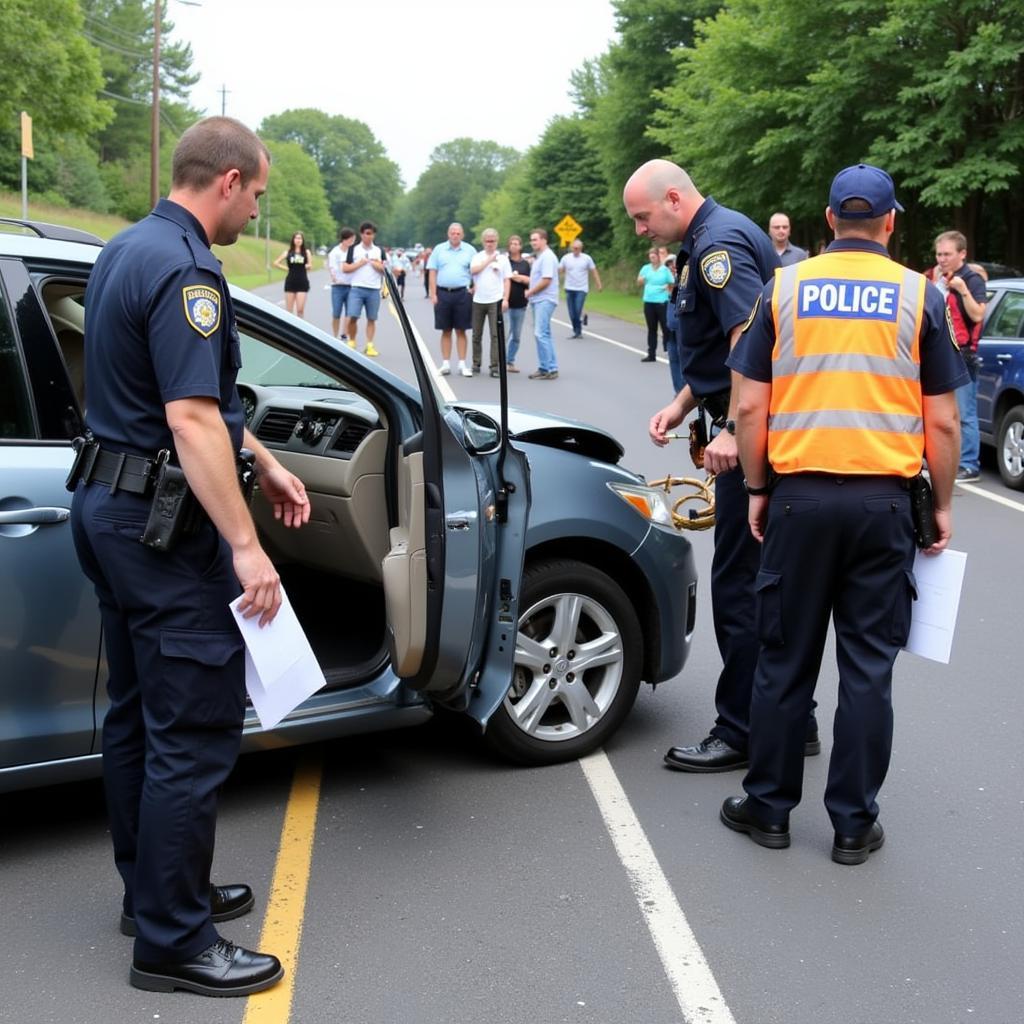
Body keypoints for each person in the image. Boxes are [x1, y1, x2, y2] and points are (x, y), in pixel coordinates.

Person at [69, 116, 312, 996]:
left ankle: (155, 894)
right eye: (258, 191)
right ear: (230, 180)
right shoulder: (189, 270)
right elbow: (191, 417)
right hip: (161, 530)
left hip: (108, 506)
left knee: (137, 712)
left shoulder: (126, 248)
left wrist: (269, 459)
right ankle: (175, 942)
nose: (257, 206)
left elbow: (181, 402)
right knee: (193, 729)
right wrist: (247, 548)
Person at [721, 163, 967, 864]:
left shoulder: (784, 287)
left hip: (798, 501)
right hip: (882, 506)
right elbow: (945, 423)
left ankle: (768, 809)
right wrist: (941, 504)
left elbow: (747, 406)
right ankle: (854, 825)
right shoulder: (920, 295)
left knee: (783, 659)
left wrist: (760, 489)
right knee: (867, 667)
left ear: (826, 221)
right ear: (891, 223)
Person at [623, 158, 814, 773]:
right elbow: (711, 349)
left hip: (752, 438)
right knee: (769, 581)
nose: (640, 230)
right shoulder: (710, 236)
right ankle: (794, 719)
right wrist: (683, 404)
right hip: (743, 424)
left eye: (643, 217)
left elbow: (746, 339)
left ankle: (741, 731)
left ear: (674, 199)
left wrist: (732, 427)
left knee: (741, 587)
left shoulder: (718, 244)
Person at [933, 230, 987, 482]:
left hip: (964, 353)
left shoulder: (972, 279)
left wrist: (963, 290)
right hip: (940, 350)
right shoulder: (938, 277)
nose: (942, 259)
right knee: (942, 411)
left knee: (965, 412)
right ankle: (944, 459)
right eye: (939, 254)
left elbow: (978, 315)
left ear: (962, 254)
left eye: (947, 254)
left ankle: (969, 464)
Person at [426, 223, 476, 376]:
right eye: (452, 233)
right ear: (448, 234)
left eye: (458, 233)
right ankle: (445, 363)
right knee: (445, 329)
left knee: (461, 330)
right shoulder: (439, 249)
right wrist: (433, 293)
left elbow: (477, 270)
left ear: (462, 235)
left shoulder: (470, 250)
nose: (455, 235)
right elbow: (432, 272)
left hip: (463, 293)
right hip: (443, 293)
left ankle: (462, 364)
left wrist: (475, 287)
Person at [470, 227, 512, 377]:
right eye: (487, 241)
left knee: (495, 335)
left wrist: (506, 298)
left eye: (492, 241)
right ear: (483, 242)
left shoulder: (503, 259)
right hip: (478, 299)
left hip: (495, 299)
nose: (490, 244)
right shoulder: (478, 256)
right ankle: (476, 363)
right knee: (476, 334)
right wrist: (489, 260)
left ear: (497, 241)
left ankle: (495, 366)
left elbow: (507, 279)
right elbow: (473, 271)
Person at [343, 221, 385, 357]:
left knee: (372, 318)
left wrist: (375, 264)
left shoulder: (379, 250)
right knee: (353, 316)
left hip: (373, 289)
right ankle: (352, 340)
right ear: (361, 234)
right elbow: (345, 268)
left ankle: (370, 345)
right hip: (357, 288)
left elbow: (385, 269)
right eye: (367, 233)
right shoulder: (353, 249)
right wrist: (360, 263)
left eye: (372, 234)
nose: (369, 236)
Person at [524, 228, 560, 380]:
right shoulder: (540, 257)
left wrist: (530, 292)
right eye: (531, 240)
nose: (533, 242)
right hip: (538, 300)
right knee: (543, 333)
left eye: (536, 239)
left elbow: (546, 279)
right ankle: (545, 366)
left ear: (544, 240)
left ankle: (551, 368)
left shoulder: (547, 257)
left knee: (540, 333)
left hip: (545, 299)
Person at [558, 238, 602, 338]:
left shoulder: (586, 258)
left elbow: (593, 271)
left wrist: (598, 284)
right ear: (571, 248)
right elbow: (560, 270)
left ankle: (579, 328)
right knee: (572, 313)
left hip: (581, 288)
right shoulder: (566, 258)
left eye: (577, 248)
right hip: (569, 287)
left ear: (581, 249)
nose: (575, 250)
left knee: (577, 310)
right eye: (574, 248)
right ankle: (576, 330)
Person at [637, 246, 674, 362]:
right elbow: (639, 281)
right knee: (651, 328)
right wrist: (641, 280)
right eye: (650, 257)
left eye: (654, 256)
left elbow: (672, 282)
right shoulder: (646, 268)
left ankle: (669, 349)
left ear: (658, 257)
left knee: (665, 327)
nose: (652, 259)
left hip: (662, 301)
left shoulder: (664, 270)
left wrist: (667, 288)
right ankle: (651, 353)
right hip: (649, 301)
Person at [504, 234, 531, 373]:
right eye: (512, 243)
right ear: (509, 246)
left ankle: (510, 361)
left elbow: (530, 280)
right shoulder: (505, 262)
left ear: (520, 246)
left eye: (516, 243)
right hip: (506, 304)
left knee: (516, 336)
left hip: (520, 304)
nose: (514, 246)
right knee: (504, 334)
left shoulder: (525, 264)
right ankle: (499, 361)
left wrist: (519, 277)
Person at [273, 231, 312, 317]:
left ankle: (300, 328)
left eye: (300, 238)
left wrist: (304, 266)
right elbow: (276, 263)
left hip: (302, 282)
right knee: (289, 311)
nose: (298, 240)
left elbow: (310, 265)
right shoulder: (288, 252)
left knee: (300, 310)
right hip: (290, 281)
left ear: (302, 240)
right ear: (293, 240)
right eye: (296, 238)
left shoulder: (306, 252)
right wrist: (287, 268)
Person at [328, 226, 355, 343]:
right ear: (345, 239)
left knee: (350, 312)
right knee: (336, 313)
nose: (353, 241)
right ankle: (334, 335)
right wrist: (334, 278)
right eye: (351, 239)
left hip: (351, 286)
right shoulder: (335, 252)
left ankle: (344, 334)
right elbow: (332, 267)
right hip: (338, 286)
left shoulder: (354, 252)